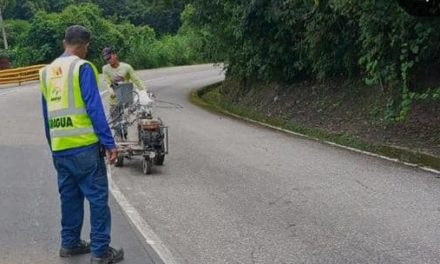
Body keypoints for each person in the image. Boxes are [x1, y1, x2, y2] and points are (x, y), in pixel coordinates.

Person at [39, 25, 124, 264]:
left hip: (60, 148)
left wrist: (53, 145)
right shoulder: (82, 67)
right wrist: (109, 143)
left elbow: (46, 115)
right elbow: (94, 108)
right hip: (84, 147)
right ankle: (100, 252)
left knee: (70, 197)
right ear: (83, 46)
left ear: (65, 42)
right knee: (97, 198)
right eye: (87, 47)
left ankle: (70, 243)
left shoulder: (46, 71)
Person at [101, 47, 147, 139]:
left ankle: (127, 136)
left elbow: (136, 80)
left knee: (128, 122)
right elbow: (107, 82)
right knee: (116, 124)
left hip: (126, 99)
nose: (108, 61)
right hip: (114, 101)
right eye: (106, 59)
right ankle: (119, 140)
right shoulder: (105, 68)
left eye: (110, 58)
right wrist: (111, 92)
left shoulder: (126, 67)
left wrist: (144, 91)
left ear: (115, 55)